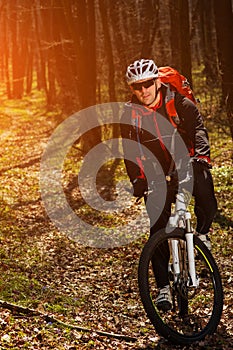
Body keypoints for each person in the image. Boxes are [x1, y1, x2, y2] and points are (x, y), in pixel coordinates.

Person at [120, 59, 217, 311]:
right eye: (137, 86)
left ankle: (203, 234)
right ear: (132, 89)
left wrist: (201, 157)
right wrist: (137, 179)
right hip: (157, 170)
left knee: (205, 190)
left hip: (187, 159)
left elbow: (197, 129)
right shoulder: (130, 114)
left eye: (148, 84)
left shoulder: (179, 103)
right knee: (158, 227)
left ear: (157, 81)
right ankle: (163, 287)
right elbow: (129, 150)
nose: (144, 91)